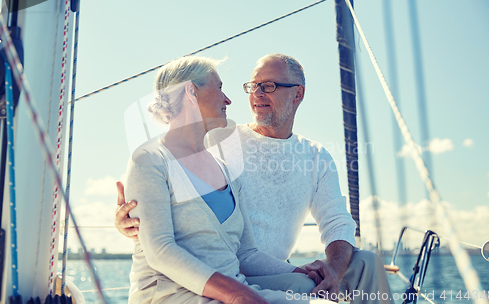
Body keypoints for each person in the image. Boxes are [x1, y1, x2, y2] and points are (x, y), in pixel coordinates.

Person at [118, 54, 393, 303]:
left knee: (366, 262)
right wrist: (129, 216)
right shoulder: (216, 137)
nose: (255, 94)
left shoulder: (314, 157)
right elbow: (156, 182)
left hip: (260, 268)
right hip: (217, 281)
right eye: (253, 86)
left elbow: (336, 222)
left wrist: (328, 271)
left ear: (298, 94)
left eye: (269, 86)